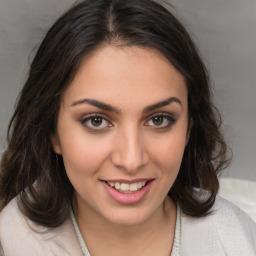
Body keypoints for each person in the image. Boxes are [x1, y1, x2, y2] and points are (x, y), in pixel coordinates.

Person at [0, 0, 255, 255]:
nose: (131, 160)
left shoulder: (233, 240)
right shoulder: (18, 238)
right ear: (52, 132)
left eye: (159, 120)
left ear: (189, 127)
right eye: (96, 121)